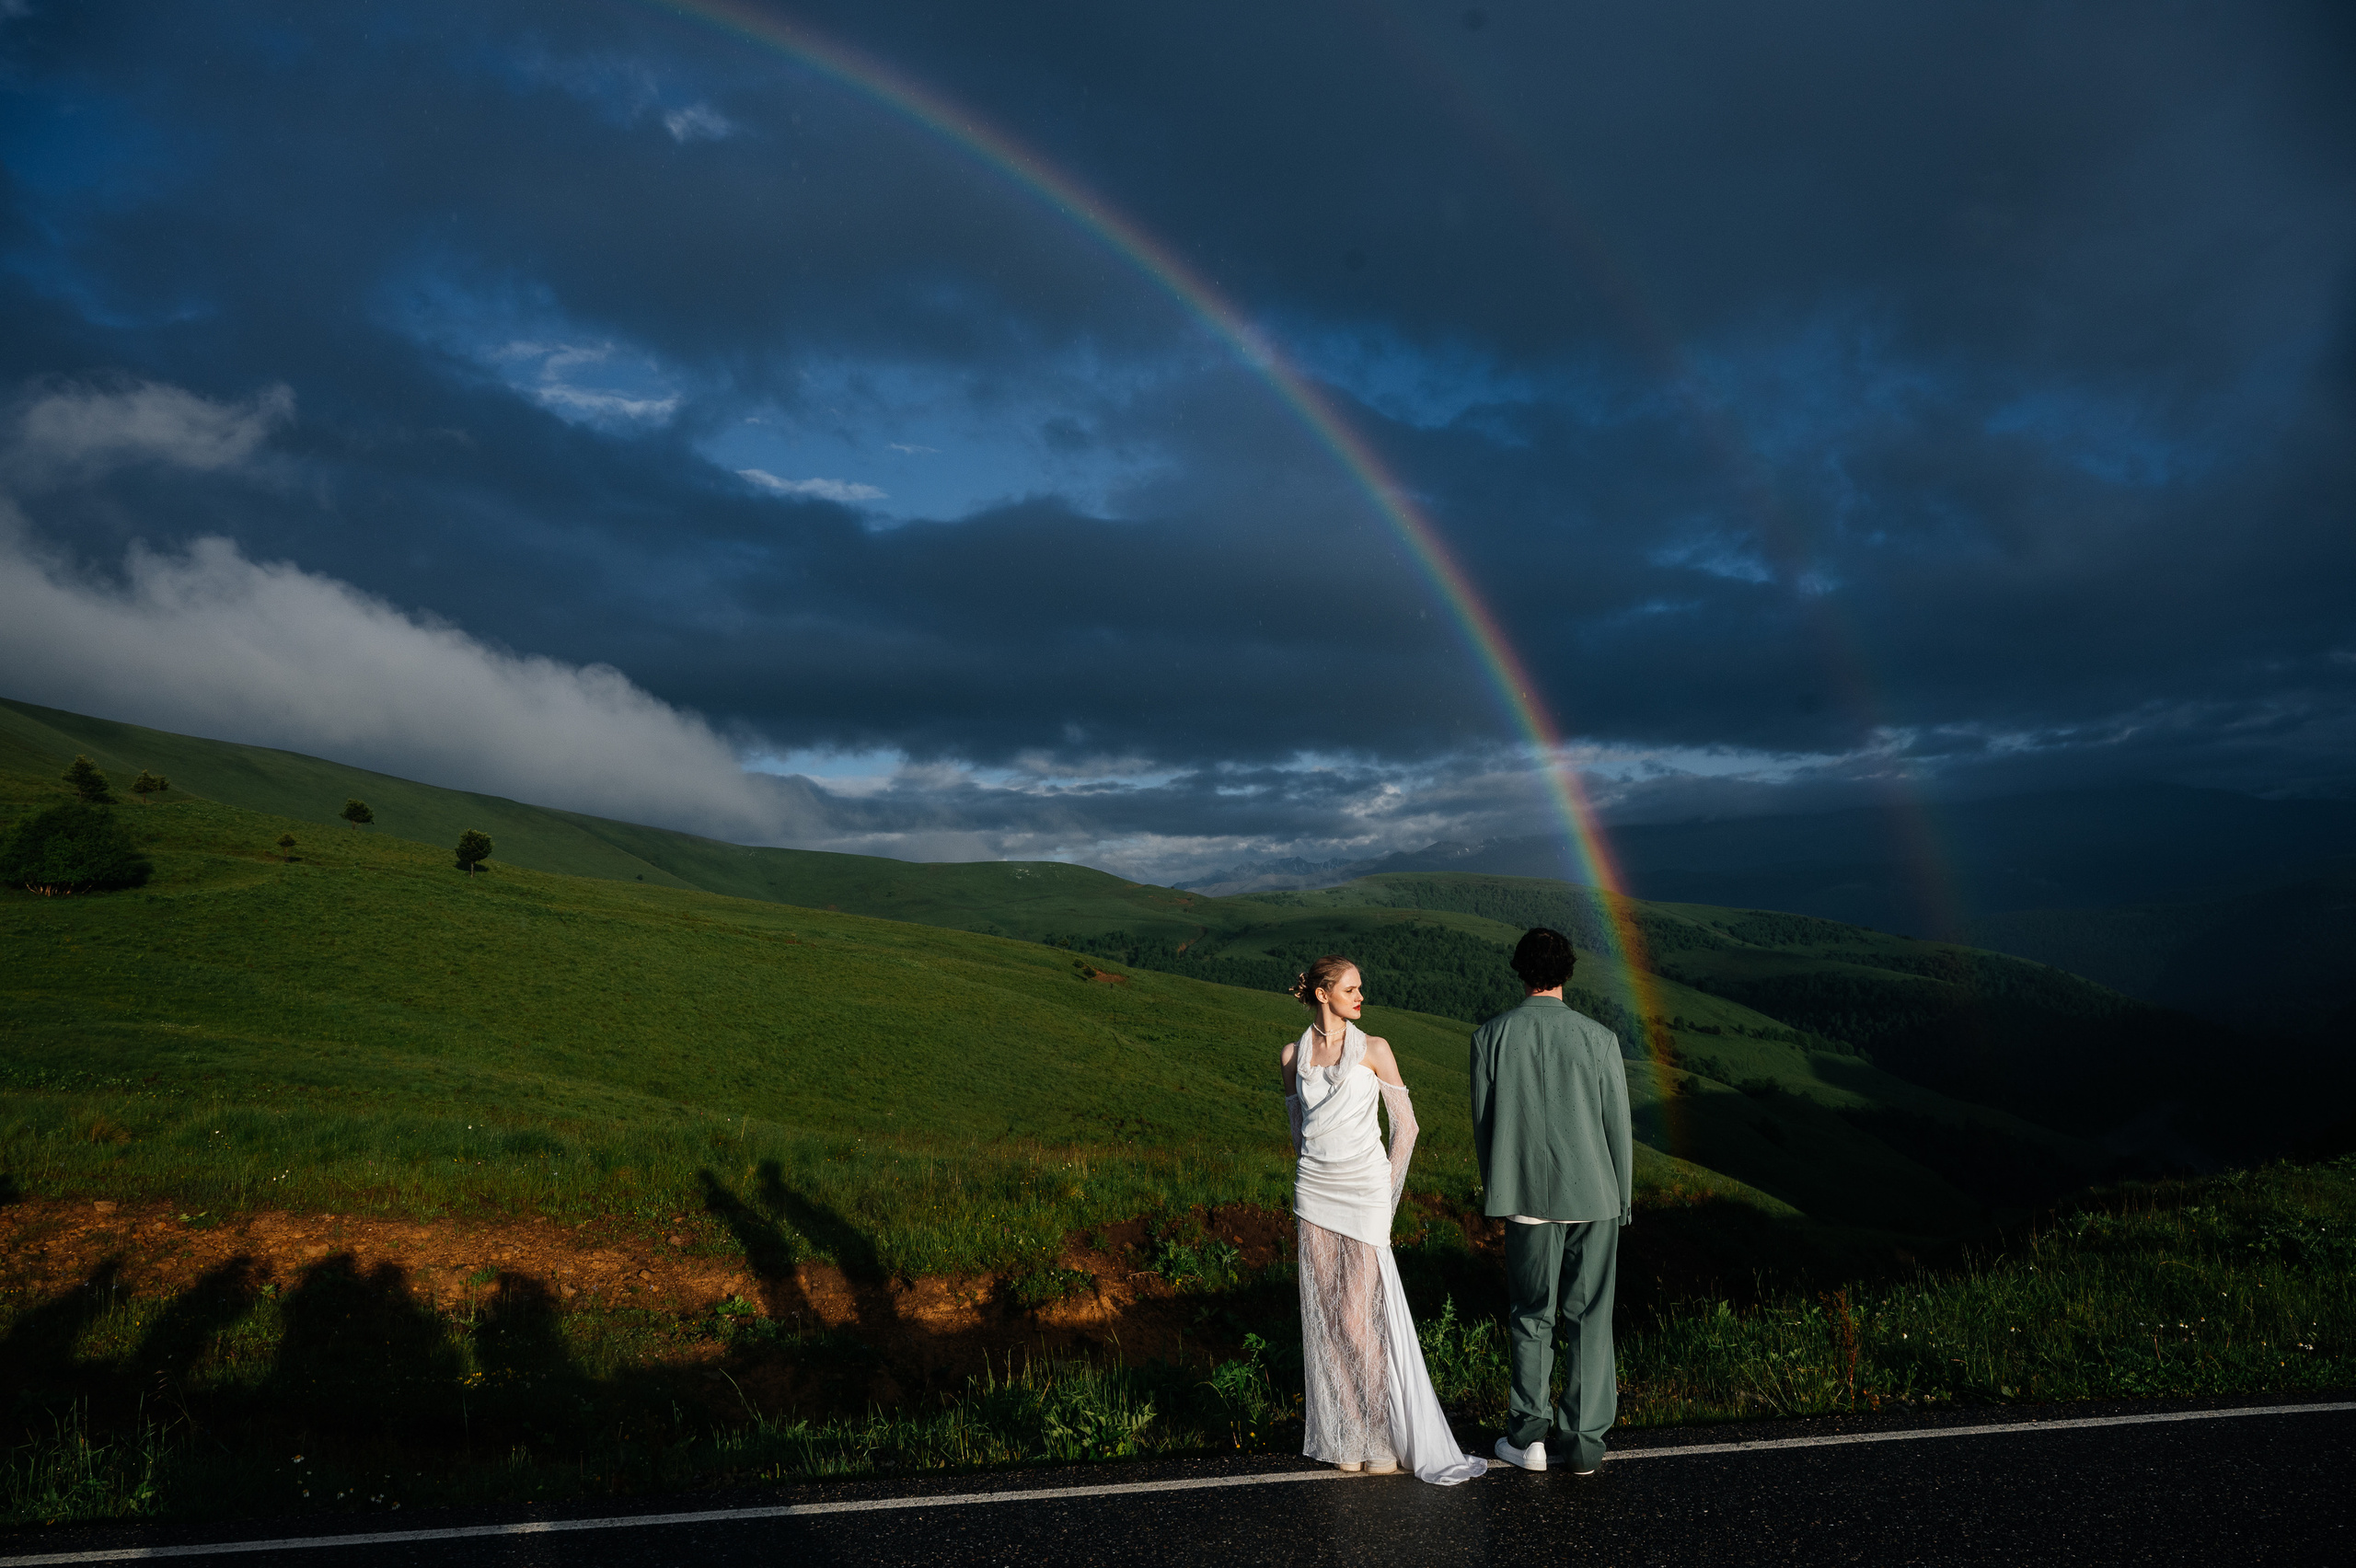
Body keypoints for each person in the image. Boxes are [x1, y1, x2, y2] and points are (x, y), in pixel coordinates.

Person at [1280, 955, 1486, 1484]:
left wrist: (1385, 1196)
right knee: (1326, 1318)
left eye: (1361, 988)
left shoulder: (1376, 1050)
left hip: (1365, 1195)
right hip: (1314, 1193)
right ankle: (1348, 1434)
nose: (1360, 996)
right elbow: (1299, 1129)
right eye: (1351, 988)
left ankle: (1377, 1433)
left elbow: (1408, 1128)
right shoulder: (1292, 1055)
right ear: (1322, 994)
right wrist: (1310, 1173)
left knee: (1357, 1318)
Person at [1468, 926, 1633, 1477]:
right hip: (1596, 1197)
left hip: (1525, 1197)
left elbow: (1485, 1128)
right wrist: (1622, 1201)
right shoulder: (1600, 1039)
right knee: (1590, 1317)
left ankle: (1529, 1437)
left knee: (1529, 1315)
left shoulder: (1490, 1037)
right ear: (1566, 973)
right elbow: (1619, 1133)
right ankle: (1584, 1445)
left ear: (1521, 971)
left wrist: (1498, 1192)